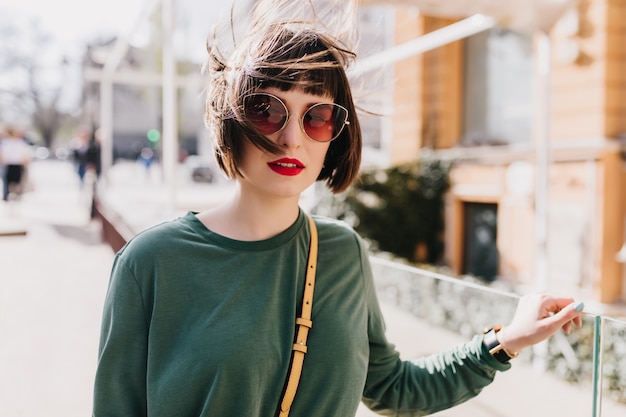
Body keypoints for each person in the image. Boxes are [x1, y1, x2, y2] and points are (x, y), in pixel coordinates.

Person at [92, 1, 584, 416]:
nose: (291, 137)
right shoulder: (151, 262)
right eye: (266, 109)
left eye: (317, 116)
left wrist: (509, 340)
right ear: (230, 122)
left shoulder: (341, 252)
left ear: (336, 134)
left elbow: (393, 387)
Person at [0, 126, 33, 202]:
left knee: (10, 181)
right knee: (11, 181)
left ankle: (10, 195)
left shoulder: (16, 143)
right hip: (11, 164)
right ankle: (12, 195)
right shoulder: (15, 143)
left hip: (13, 164)